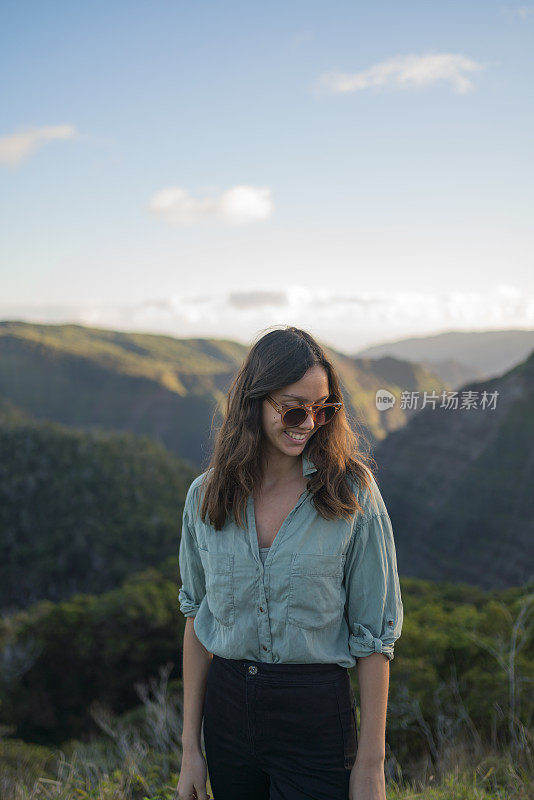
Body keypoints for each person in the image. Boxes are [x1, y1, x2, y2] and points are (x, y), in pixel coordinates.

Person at [177, 325, 403, 800]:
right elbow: (197, 618)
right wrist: (190, 752)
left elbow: (374, 637)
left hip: (316, 718)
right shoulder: (205, 496)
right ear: (253, 403)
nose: (309, 422)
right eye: (294, 408)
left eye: (324, 410)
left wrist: (371, 765)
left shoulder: (352, 493)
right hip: (227, 718)